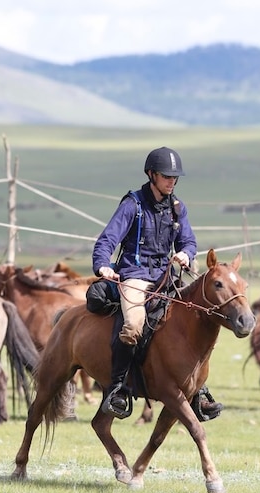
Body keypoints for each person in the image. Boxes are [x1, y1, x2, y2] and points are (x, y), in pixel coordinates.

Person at [92, 146, 223, 420]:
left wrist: (186, 254)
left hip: (166, 279)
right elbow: (107, 239)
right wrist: (103, 264)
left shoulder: (177, 208)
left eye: (175, 177)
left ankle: (197, 390)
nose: (171, 181)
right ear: (151, 175)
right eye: (166, 176)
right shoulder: (133, 205)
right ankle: (117, 389)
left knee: (195, 320)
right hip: (135, 277)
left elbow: (188, 241)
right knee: (133, 325)